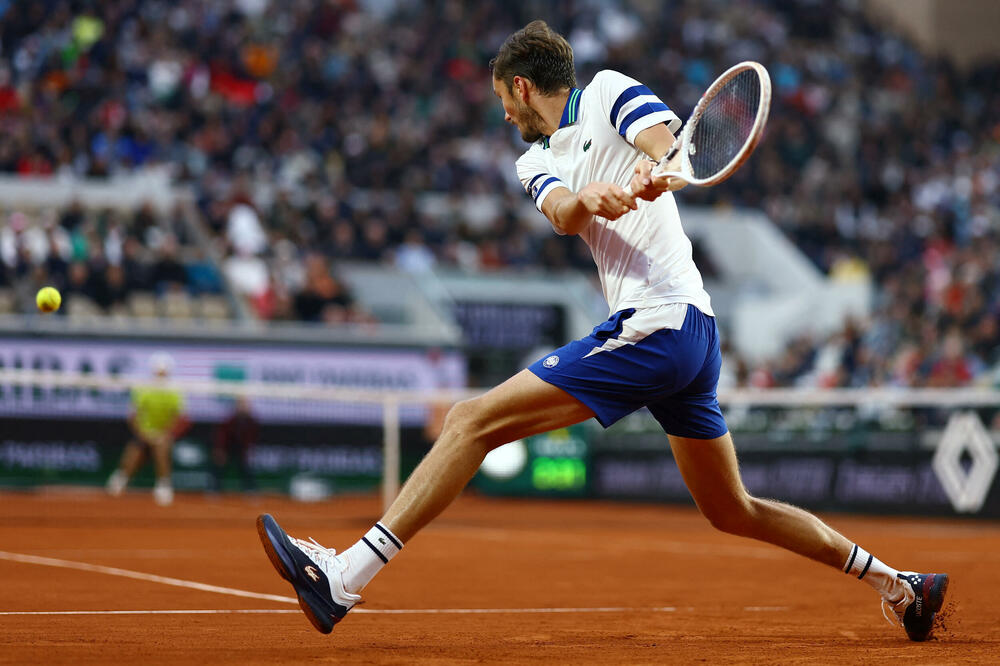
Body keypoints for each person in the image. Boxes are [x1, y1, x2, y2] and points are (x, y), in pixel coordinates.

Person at [256, 21, 948, 641]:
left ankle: (343, 578)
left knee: (470, 421)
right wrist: (591, 197)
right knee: (732, 509)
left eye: (504, 98)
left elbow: (672, 145)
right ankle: (901, 586)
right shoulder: (532, 159)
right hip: (681, 335)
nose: (503, 112)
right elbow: (563, 213)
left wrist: (651, 169)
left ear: (523, 87)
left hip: (666, 322)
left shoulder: (610, 90)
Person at [106, 352, 189, 506]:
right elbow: (133, 416)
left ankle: (163, 485)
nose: (161, 374)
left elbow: (181, 419)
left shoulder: (175, 391)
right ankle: (121, 479)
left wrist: (166, 434)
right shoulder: (143, 389)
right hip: (143, 433)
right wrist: (143, 434)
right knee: (134, 452)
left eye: (164, 371)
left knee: (162, 447)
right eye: (158, 371)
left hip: (164, 434)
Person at [209, 396, 259, 493]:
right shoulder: (229, 420)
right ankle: (214, 488)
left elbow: (252, 438)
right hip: (227, 447)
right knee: (219, 463)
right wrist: (220, 450)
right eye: (241, 404)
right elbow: (221, 436)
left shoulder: (252, 421)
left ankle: (250, 488)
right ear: (236, 406)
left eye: (245, 405)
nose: (243, 407)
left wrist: (248, 451)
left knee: (246, 465)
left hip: (242, 449)